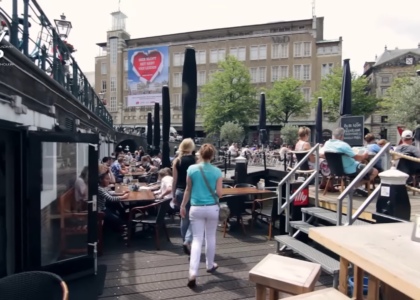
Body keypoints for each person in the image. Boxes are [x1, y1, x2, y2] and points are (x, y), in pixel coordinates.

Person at [180, 144, 223, 288]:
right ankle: (210, 265)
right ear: (212, 155)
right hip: (212, 208)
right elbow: (219, 193)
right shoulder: (217, 171)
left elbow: (187, 189)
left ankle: (192, 272)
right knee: (210, 237)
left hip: (196, 208)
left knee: (197, 240)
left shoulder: (192, 169)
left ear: (199, 154)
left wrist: (182, 205)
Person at [172, 138, 196, 257]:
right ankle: (188, 241)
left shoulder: (177, 160)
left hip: (180, 191)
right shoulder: (195, 160)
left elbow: (174, 180)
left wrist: (173, 195)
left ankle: (185, 242)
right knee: (194, 218)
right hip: (193, 192)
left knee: (184, 218)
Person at [97, 165, 129, 235]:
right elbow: (111, 198)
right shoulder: (99, 189)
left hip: (104, 207)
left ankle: (124, 219)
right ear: (101, 180)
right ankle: (119, 226)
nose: (109, 181)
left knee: (116, 206)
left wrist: (121, 193)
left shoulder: (101, 187)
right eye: (107, 179)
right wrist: (123, 197)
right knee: (117, 219)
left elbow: (109, 193)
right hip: (100, 210)